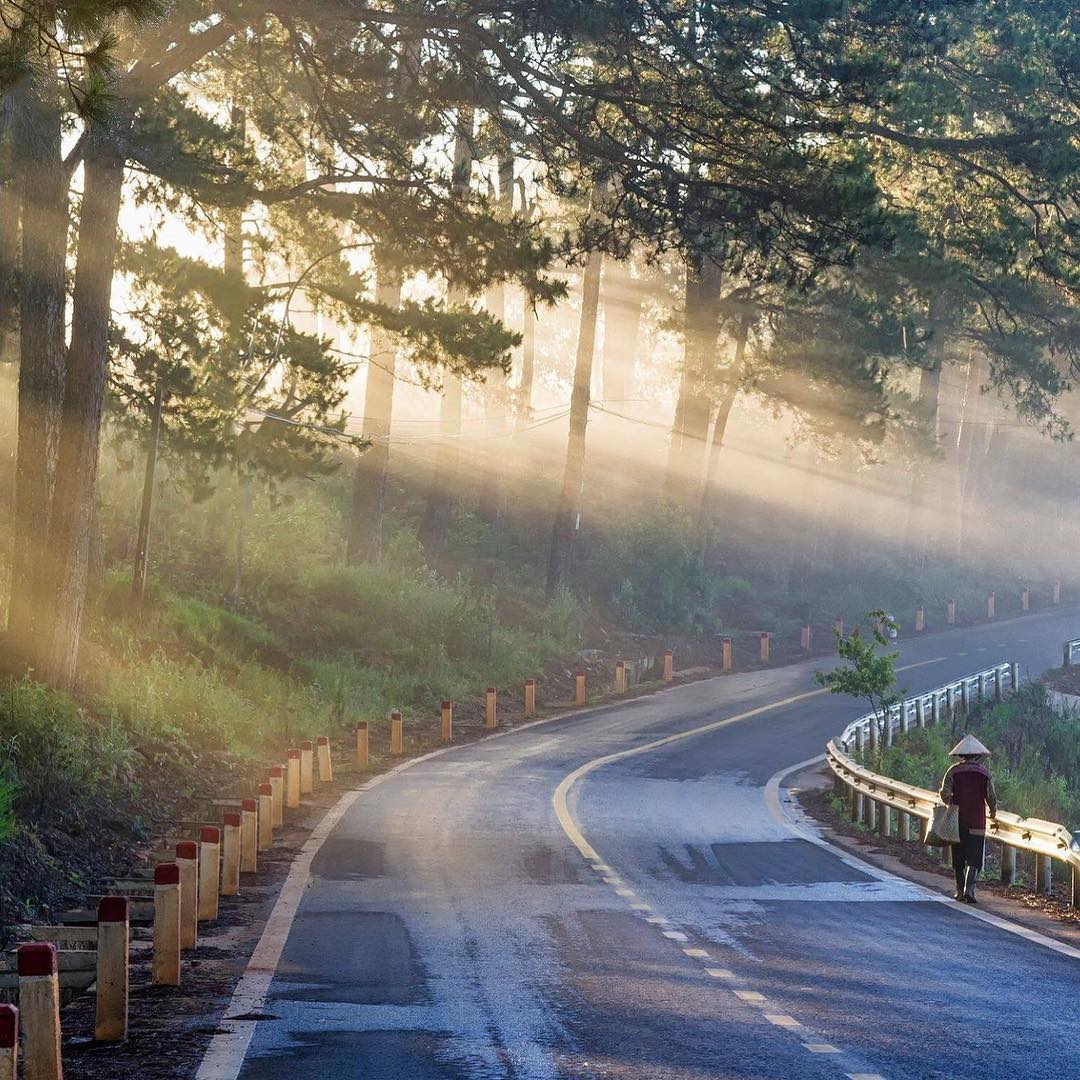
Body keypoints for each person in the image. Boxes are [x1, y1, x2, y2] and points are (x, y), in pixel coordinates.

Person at [939, 734, 997, 904]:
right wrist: (993, 812)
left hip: (957, 820)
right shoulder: (984, 773)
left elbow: (945, 794)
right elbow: (991, 797)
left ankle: (959, 890)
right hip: (977, 820)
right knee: (975, 856)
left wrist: (951, 800)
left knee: (958, 855)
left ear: (961, 755)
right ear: (978, 755)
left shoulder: (953, 771)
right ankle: (969, 889)